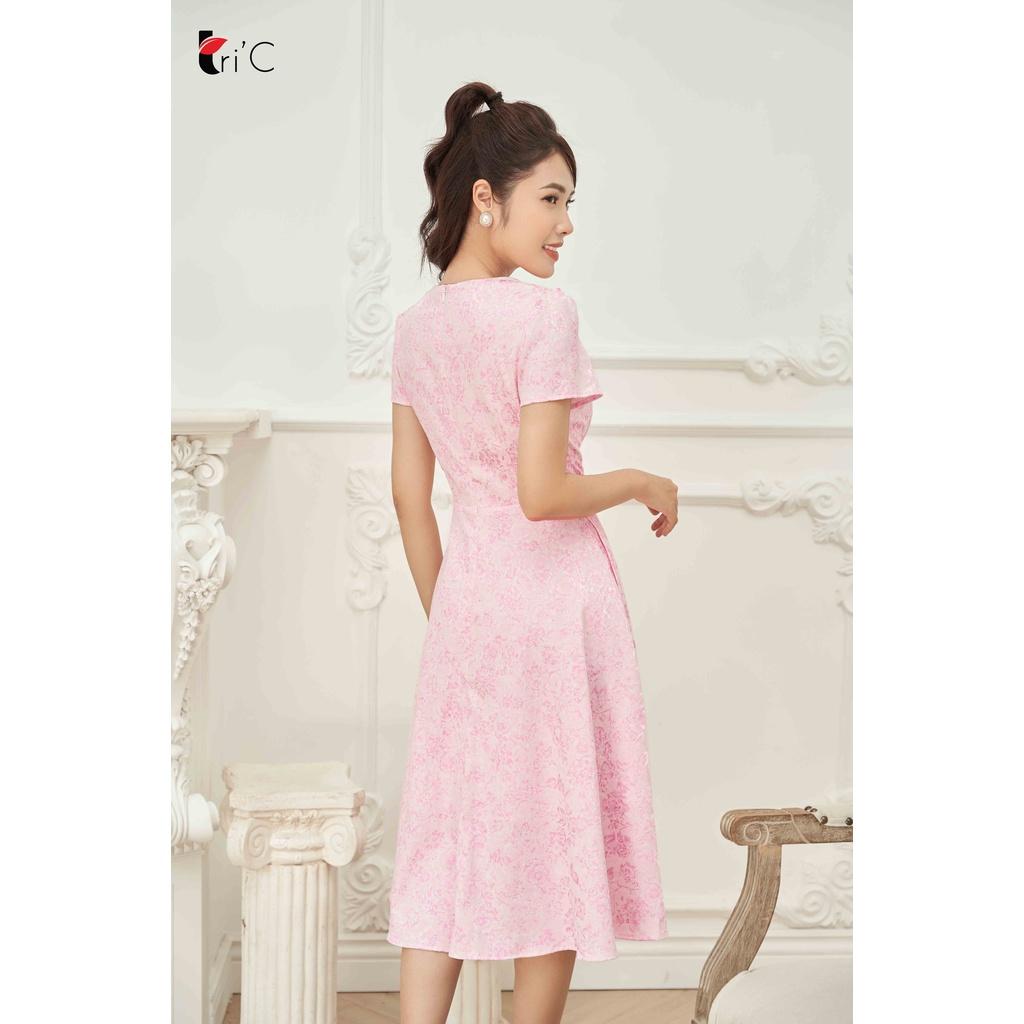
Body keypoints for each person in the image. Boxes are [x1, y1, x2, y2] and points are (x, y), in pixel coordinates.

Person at [388, 81, 679, 1024]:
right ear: (487, 198)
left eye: (569, 202)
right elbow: (543, 495)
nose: (565, 224)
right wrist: (638, 480)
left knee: (446, 840)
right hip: (552, 609)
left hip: (470, 609)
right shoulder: (542, 317)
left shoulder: (415, 329)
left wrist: (453, 614)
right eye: (550, 199)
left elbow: (411, 498)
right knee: (552, 843)